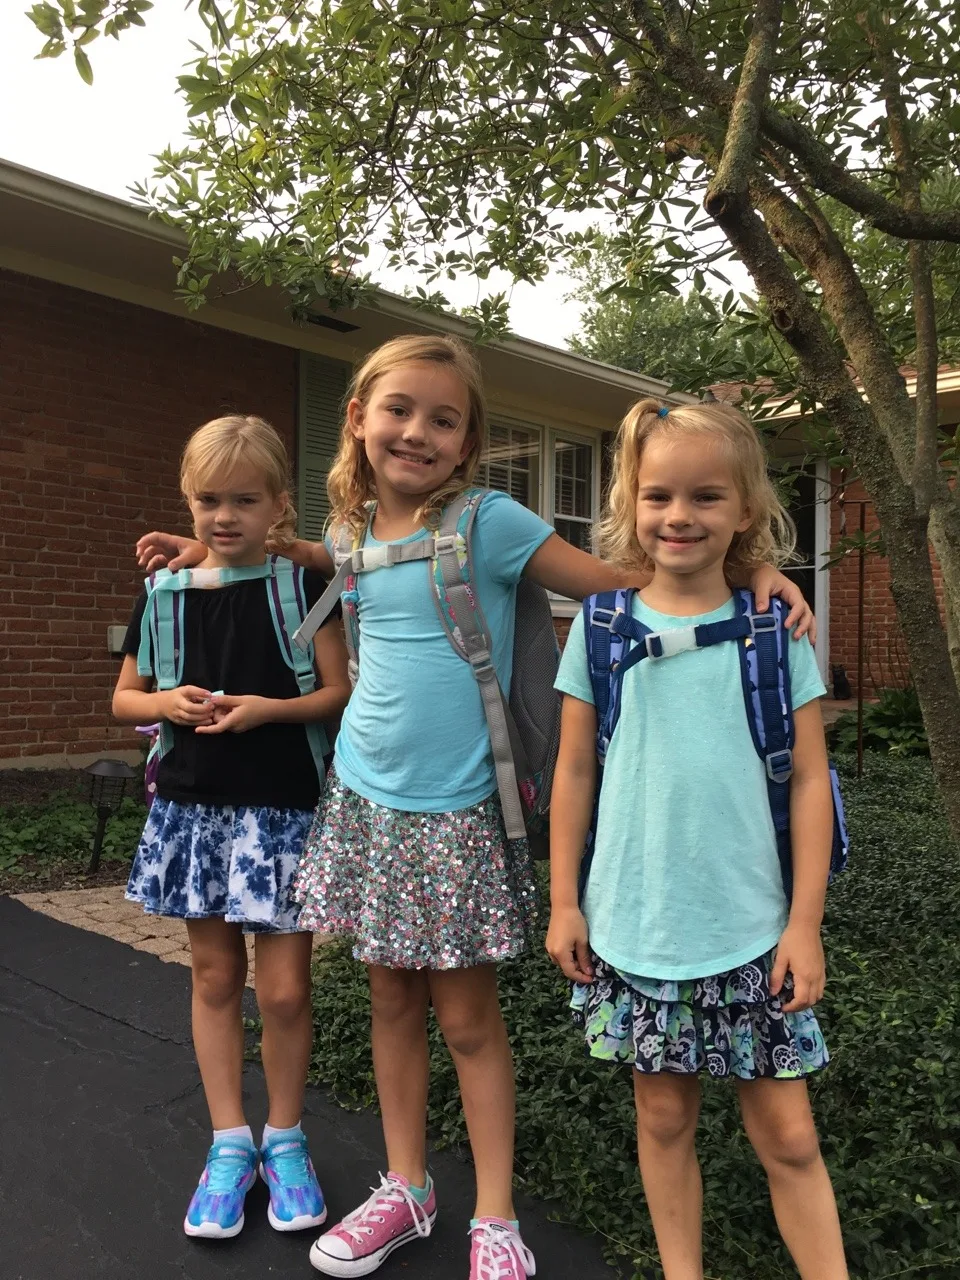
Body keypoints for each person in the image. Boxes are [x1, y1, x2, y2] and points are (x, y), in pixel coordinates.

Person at [135, 337, 815, 1280]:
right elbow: (318, 554)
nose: (417, 431)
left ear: (467, 442)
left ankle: (495, 1214)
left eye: (442, 419)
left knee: (468, 1020)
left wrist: (751, 577)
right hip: (366, 805)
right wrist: (202, 544)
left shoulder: (490, 522)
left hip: (457, 813)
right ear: (359, 422)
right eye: (399, 410)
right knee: (386, 1002)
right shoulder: (351, 527)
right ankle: (406, 1186)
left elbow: (623, 581)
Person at [547, 399, 847, 1280]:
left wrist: (805, 924)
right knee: (664, 1119)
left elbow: (809, 787)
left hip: (755, 929)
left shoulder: (775, 634)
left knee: (790, 1135)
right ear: (632, 505)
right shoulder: (598, 634)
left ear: (745, 510)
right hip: (638, 931)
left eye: (707, 497)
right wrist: (565, 901)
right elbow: (572, 775)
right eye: (659, 496)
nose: (680, 516)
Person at [114, 415, 351, 1243]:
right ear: (189, 501)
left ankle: (285, 1138)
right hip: (192, 812)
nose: (224, 516)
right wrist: (162, 704)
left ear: (279, 505)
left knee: (283, 989)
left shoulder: (302, 588)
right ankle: (228, 1144)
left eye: (244, 500)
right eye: (209, 500)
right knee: (215, 980)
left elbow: (337, 692)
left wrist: (269, 712)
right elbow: (125, 697)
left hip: (283, 812)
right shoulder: (164, 595)